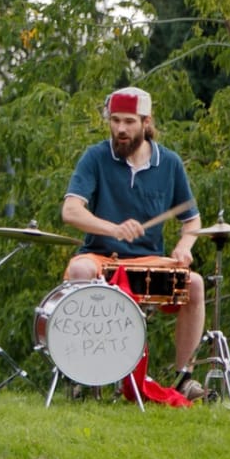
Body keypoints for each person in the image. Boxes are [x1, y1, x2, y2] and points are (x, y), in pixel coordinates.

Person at [59, 86, 207, 400]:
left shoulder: (169, 163)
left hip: (148, 262)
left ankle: (184, 378)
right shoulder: (96, 156)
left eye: (128, 121)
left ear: (146, 122)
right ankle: (83, 375)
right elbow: (70, 210)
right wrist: (112, 228)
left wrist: (184, 247)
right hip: (102, 257)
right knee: (81, 270)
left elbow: (191, 220)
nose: (121, 129)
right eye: (115, 121)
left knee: (194, 284)